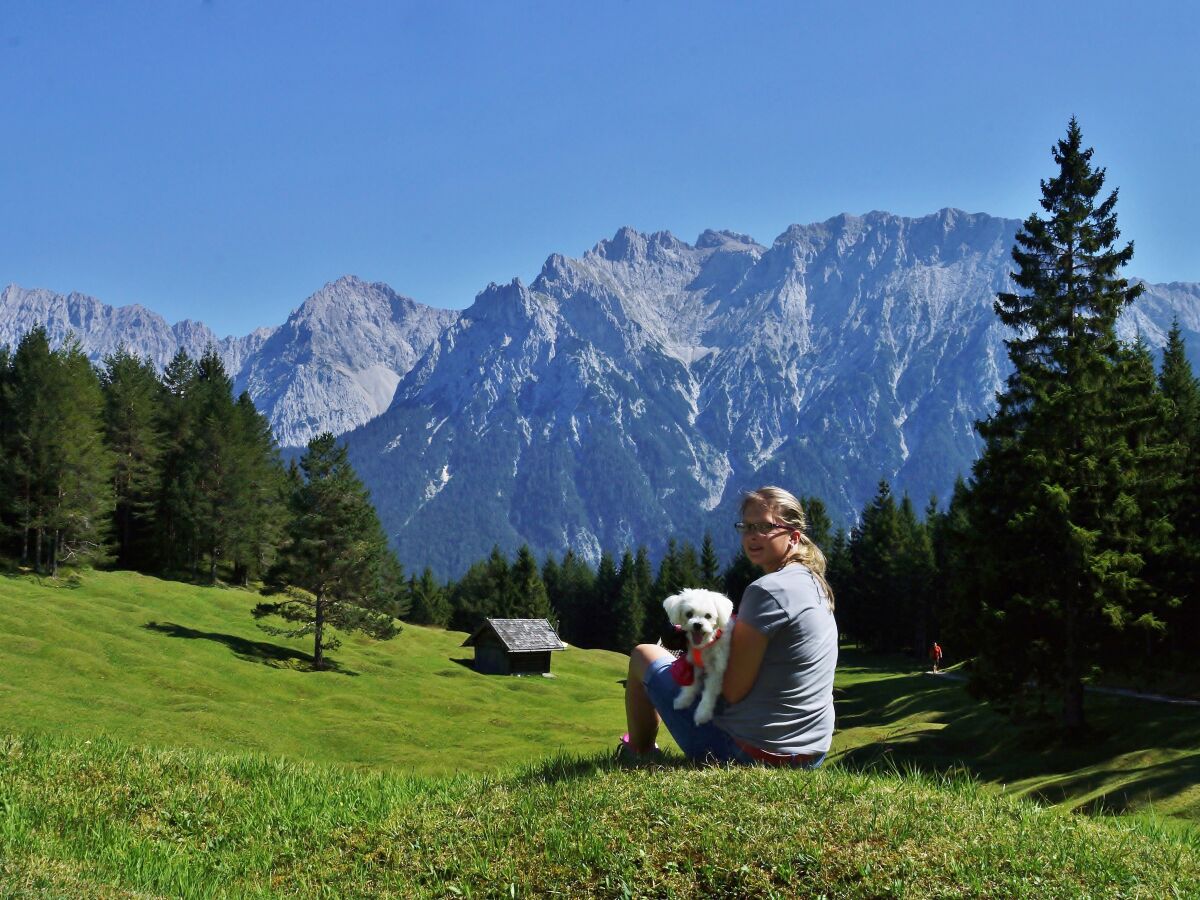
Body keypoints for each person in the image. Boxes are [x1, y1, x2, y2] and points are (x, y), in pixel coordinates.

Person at [619, 486, 838, 768]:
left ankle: (640, 751)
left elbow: (733, 691)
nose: (753, 536)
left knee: (643, 654)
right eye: (746, 527)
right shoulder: (814, 581)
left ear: (793, 537)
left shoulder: (767, 591)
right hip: (812, 752)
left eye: (765, 527)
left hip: (754, 755)